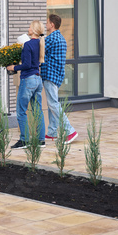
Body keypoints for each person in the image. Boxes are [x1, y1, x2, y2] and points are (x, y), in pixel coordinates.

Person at [7, 20, 46, 149]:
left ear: (34, 30)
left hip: (28, 80)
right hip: (37, 80)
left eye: (30, 26)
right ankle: (41, 140)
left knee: (21, 111)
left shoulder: (28, 45)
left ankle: (24, 141)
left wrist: (14, 67)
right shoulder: (40, 44)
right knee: (37, 111)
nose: (28, 28)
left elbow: (27, 65)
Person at [40, 14, 78, 144]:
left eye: (47, 22)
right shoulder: (61, 38)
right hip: (57, 75)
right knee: (53, 104)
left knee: (53, 104)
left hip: (50, 75)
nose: (46, 24)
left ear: (52, 24)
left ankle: (70, 130)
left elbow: (40, 51)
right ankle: (52, 132)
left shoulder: (51, 38)